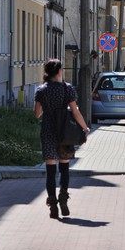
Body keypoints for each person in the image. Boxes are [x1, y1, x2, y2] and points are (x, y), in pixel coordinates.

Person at [34, 58, 90, 219]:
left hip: (48, 133)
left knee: (51, 171)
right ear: (59, 72)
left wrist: (47, 106)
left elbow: (37, 114)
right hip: (65, 133)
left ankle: (52, 205)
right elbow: (75, 111)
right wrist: (85, 128)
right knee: (64, 169)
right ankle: (63, 198)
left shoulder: (41, 90)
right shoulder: (68, 89)